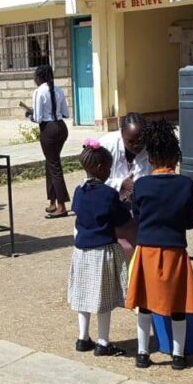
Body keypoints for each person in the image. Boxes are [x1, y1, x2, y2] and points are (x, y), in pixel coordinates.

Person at [126, 120, 193, 371]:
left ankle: (143, 354)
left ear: (151, 158)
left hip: (146, 250)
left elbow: (137, 217)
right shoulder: (186, 184)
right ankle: (178, 356)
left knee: (144, 304)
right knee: (178, 304)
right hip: (175, 251)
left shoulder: (142, 185)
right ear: (175, 157)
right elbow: (192, 221)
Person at [68, 139, 130, 357]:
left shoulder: (78, 191)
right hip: (102, 251)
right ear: (102, 168)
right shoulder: (108, 194)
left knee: (83, 295)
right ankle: (103, 342)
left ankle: (82, 337)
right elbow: (121, 218)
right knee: (104, 299)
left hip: (81, 251)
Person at [100, 113, 152, 256]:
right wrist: (120, 184)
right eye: (131, 141)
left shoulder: (149, 149)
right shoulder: (106, 146)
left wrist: (137, 190)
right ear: (121, 133)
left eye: (141, 142)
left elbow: (151, 178)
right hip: (109, 210)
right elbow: (94, 182)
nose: (137, 146)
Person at [25, 63, 70, 219]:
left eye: (35, 77)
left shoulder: (38, 92)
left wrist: (29, 115)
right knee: (50, 162)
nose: (34, 80)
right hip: (62, 128)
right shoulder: (59, 90)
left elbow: (37, 118)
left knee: (54, 165)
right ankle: (52, 202)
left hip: (48, 130)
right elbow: (66, 113)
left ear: (39, 77)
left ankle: (61, 206)